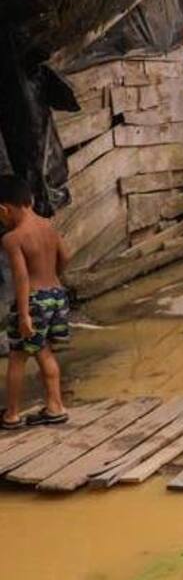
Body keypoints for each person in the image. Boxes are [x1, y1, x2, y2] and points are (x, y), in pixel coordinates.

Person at [1, 176, 71, 430]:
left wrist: (23, 315)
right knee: (44, 352)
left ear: (4, 210)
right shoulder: (48, 226)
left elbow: (21, 278)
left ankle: (11, 415)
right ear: (29, 200)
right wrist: (53, 277)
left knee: (18, 357)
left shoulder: (13, 238)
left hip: (32, 302)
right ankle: (55, 407)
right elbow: (66, 256)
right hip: (56, 295)